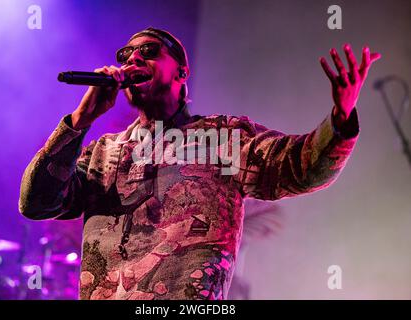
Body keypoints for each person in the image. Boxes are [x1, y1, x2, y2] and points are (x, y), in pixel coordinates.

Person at [19, 27, 380, 300]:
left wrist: (341, 116)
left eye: (148, 51)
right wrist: (80, 120)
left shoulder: (222, 138)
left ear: (181, 72)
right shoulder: (102, 152)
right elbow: (36, 203)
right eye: (126, 53)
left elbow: (300, 168)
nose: (132, 60)